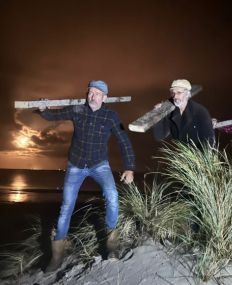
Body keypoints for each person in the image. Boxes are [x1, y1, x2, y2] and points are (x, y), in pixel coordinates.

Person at [35, 80, 135, 272]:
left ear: (104, 97)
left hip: (100, 164)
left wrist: (129, 167)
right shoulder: (77, 109)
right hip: (76, 165)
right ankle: (57, 255)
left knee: (112, 196)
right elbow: (53, 115)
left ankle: (112, 246)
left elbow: (124, 141)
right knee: (66, 207)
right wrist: (43, 108)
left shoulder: (112, 116)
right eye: (90, 92)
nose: (92, 96)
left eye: (97, 93)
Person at [153, 79, 215, 148]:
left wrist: (198, 157)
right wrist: (158, 116)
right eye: (173, 93)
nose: (175, 96)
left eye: (179, 93)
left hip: (198, 154)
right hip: (181, 153)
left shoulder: (200, 111)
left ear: (187, 94)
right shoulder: (171, 113)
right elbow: (159, 136)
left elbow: (209, 140)